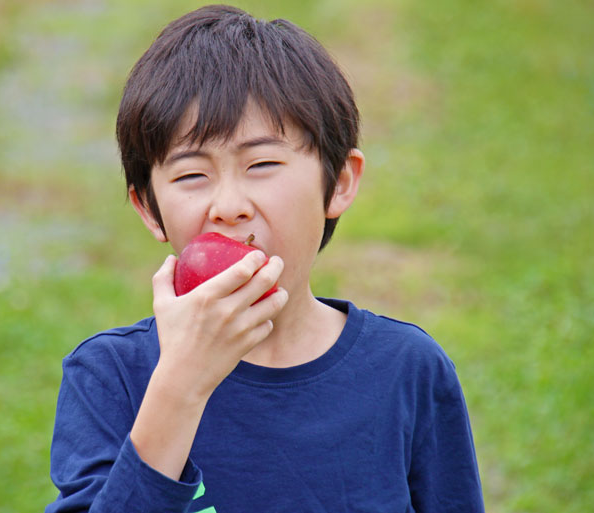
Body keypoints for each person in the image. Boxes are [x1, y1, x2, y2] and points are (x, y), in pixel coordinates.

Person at [46, 5, 484, 512]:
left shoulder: (407, 370)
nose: (229, 207)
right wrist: (179, 387)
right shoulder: (110, 376)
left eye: (262, 164)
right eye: (192, 175)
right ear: (148, 207)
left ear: (338, 183)